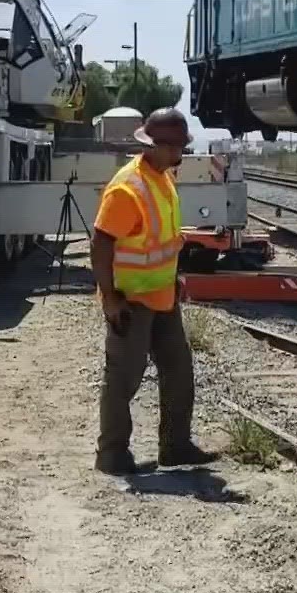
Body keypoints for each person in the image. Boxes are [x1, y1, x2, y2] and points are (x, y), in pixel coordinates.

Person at [92, 108, 218, 475]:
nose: (181, 153)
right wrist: (111, 299)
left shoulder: (161, 178)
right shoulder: (127, 188)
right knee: (123, 377)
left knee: (178, 369)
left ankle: (175, 446)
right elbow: (101, 244)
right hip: (131, 301)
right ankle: (112, 454)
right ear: (157, 146)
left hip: (161, 296)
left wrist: (172, 277)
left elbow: (161, 240)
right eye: (176, 146)